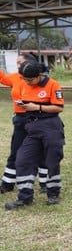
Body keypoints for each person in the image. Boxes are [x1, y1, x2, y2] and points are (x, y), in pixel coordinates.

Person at [5, 61, 65, 210]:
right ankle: (25, 197)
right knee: (22, 159)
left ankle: (53, 193)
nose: (26, 82)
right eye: (24, 79)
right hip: (31, 127)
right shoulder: (25, 84)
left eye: (30, 80)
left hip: (50, 126)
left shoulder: (53, 85)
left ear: (38, 76)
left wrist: (37, 107)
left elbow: (58, 108)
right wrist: (25, 106)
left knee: (51, 159)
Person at [0, 53, 49, 194]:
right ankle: (7, 183)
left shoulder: (41, 80)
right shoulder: (15, 77)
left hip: (38, 118)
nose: (17, 65)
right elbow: (2, 78)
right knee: (15, 151)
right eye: (17, 63)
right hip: (20, 120)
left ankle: (45, 183)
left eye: (20, 62)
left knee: (41, 151)